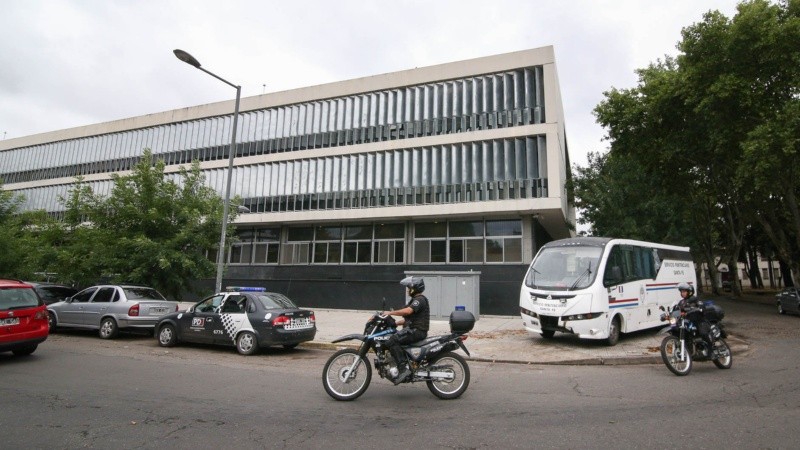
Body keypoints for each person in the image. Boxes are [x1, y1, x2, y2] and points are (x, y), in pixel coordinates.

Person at [382, 276, 430, 384]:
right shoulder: (415, 300)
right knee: (395, 337)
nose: (408, 290)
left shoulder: (420, 300)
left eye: (409, 288)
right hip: (414, 329)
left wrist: (390, 313)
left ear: (415, 288)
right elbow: (409, 319)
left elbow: (407, 312)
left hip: (418, 331)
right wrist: (395, 323)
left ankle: (403, 369)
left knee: (392, 340)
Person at [676, 282, 715, 356]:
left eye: (684, 291)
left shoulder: (694, 299)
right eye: (681, 292)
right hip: (688, 321)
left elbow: (701, 305)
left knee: (703, 333)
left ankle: (711, 350)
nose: (682, 293)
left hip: (699, 320)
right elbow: (677, 310)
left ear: (689, 292)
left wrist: (699, 307)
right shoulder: (681, 302)